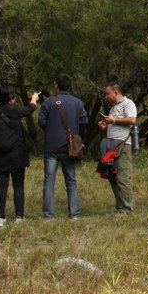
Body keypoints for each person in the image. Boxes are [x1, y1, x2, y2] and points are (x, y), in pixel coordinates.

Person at [0, 85, 40, 226]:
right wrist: (34, 99)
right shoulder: (16, 110)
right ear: (12, 98)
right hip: (17, 154)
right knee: (18, 186)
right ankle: (19, 217)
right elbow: (30, 109)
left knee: (2, 187)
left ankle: (0, 218)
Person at [38, 74, 88, 219]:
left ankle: (49, 215)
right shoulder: (77, 103)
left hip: (51, 146)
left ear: (56, 85)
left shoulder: (48, 102)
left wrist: (51, 130)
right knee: (71, 180)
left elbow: (41, 121)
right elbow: (84, 120)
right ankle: (75, 214)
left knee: (49, 181)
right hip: (69, 147)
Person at [97, 82, 137, 214]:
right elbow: (114, 124)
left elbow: (132, 120)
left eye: (107, 93)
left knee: (123, 177)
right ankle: (120, 207)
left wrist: (113, 120)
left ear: (115, 92)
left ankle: (127, 208)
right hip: (111, 145)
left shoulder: (128, 103)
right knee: (111, 175)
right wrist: (105, 126)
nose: (106, 96)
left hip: (123, 145)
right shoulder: (113, 108)